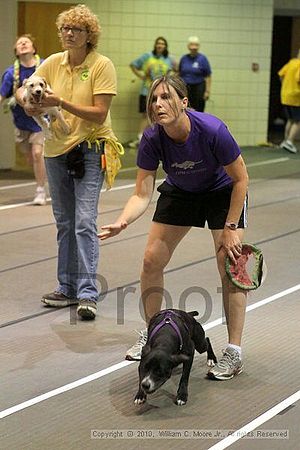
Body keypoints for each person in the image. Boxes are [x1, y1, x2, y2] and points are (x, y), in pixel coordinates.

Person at [99, 75, 249, 381]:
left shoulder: (212, 130)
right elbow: (142, 192)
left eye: (166, 97)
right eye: (154, 99)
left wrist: (231, 226)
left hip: (222, 192)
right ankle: (154, 334)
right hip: (181, 191)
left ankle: (234, 351)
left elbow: (241, 179)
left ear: (184, 102)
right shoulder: (153, 138)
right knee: (151, 260)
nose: (158, 104)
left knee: (229, 264)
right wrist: (123, 221)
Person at [15, 4, 120, 320]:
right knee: (65, 223)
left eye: (77, 29)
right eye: (65, 29)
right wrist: (28, 102)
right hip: (56, 151)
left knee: (85, 220)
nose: (69, 33)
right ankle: (67, 288)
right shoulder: (51, 63)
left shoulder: (101, 65)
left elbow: (99, 112)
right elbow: (24, 88)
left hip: (90, 148)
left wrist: (59, 101)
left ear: (90, 35)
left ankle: (87, 293)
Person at [0, 34, 47, 205]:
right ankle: (44, 167)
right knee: (29, 157)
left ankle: (40, 191)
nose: (23, 43)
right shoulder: (11, 73)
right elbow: (2, 96)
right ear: (16, 52)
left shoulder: (44, 66)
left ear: (34, 49)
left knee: (37, 153)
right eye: (19, 43)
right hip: (21, 121)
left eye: (26, 42)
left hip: (42, 119)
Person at [129, 36, 177, 147]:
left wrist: (170, 79)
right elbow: (133, 65)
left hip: (162, 92)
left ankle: (158, 138)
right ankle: (141, 138)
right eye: (158, 43)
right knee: (146, 115)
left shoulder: (169, 59)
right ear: (155, 45)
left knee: (160, 115)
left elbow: (177, 70)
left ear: (165, 46)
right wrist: (141, 76)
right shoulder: (147, 56)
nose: (160, 45)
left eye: (162, 44)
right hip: (147, 90)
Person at [179, 36, 212, 112]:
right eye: (192, 45)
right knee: (185, 109)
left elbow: (208, 76)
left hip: (199, 87)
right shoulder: (184, 58)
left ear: (199, 46)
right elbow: (179, 73)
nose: (194, 47)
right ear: (188, 46)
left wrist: (207, 91)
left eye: (196, 45)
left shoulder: (203, 59)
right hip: (186, 88)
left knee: (198, 111)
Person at [278, 49, 300, 154]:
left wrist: (285, 86)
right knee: (297, 121)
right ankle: (290, 141)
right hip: (296, 97)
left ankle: (285, 140)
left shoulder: (291, 63)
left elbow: (281, 74)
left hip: (285, 95)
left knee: (290, 119)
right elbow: (298, 78)